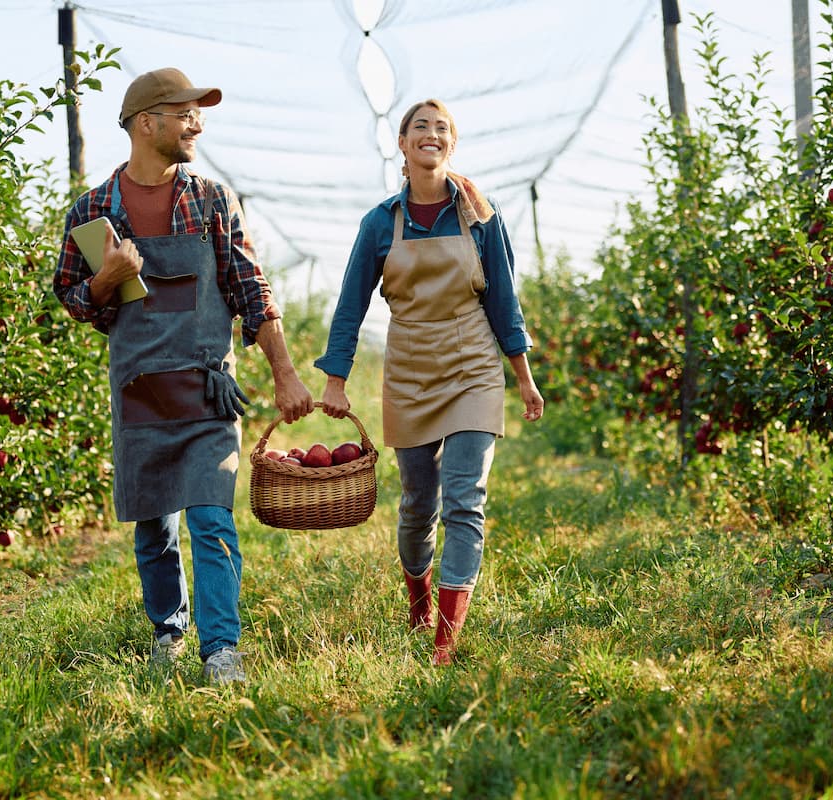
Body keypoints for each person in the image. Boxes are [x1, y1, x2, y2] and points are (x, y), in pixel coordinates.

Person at [53, 67, 314, 684]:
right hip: (140, 389)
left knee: (211, 520)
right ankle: (168, 629)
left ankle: (222, 648)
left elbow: (252, 289)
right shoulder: (93, 212)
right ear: (147, 123)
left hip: (204, 387)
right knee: (154, 527)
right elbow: (75, 300)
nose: (197, 122)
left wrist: (285, 374)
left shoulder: (211, 200)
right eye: (185, 111)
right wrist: (107, 278)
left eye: (201, 112)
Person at [316, 98, 544, 666]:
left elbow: (504, 302)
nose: (432, 134)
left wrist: (523, 378)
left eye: (442, 128)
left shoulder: (480, 217)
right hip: (411, 368)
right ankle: (419, 603)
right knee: (420, 502)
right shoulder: (379, 223)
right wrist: (336, 381)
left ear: (452, 145)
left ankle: (445, 641)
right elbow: (350, 308)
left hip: (473, 368)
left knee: (465, 501)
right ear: (402, 143)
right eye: (421, 126)